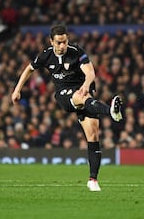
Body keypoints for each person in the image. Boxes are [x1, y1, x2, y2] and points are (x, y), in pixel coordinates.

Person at [11, 24, 123, 192]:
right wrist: (17, 90)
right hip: (64, 95)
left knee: (93, 134)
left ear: (67, 40)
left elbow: (90, 73)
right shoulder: (46, 55)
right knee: (79, 97)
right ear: (52, 42)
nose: (62, 46)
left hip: (84, 92)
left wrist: (86, 84)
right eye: (58, 43)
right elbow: (29, 69)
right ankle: (110, 111)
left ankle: (93, 179)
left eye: (64, 42)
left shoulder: (76, 52)